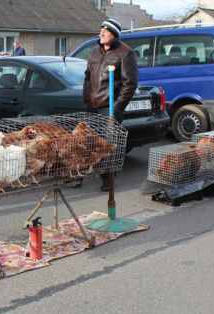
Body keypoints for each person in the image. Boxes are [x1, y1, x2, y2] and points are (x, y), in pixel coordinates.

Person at [83, 18, 138, 192]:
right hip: (92, 104)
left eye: (105, 32)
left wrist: (117, 107)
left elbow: (130, 83)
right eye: (101, 31)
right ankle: (85, 172)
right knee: (90, 141)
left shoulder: (125, 53)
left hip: (110, 107)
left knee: (108, 144)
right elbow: (87, 76)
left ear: (114, 35)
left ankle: (108, 179)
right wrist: (86, 97)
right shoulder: (94, 52)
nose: (101, 34)